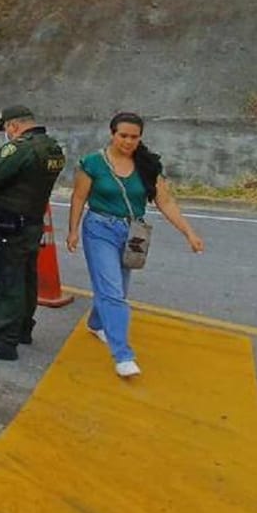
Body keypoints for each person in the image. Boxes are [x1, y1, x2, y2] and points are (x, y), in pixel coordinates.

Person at [66, 111, 204, 377]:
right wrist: (72, 230)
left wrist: (189, 232)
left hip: (133, 233)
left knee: (117, 288)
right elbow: (78, 197)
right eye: (123, 136)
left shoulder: (147, 165)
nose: (129, 142)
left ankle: (96, 323)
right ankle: (123, 355)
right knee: (112, 291)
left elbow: (165, 201)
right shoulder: (93, 163)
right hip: (99, 229)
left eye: (134, 137)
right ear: (112, 134)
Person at [0, 105, 66, 361]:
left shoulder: (19, 148)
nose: (7, 134)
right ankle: (23, 329)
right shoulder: (52, 147)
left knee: (5, 281)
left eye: (6, 129)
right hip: (32, 223)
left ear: (13, 126)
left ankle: (4, 341)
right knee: (26, 278)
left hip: (9, 225)